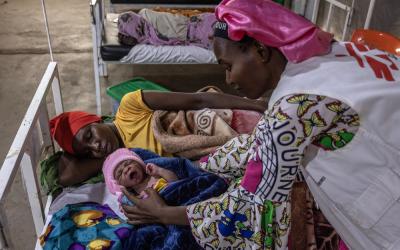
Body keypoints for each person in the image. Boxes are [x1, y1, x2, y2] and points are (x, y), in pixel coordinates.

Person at [120, 0, 400, 249]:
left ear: (260, 50)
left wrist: (163, 214)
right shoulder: (343, 51)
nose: (228, 80)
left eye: (228, 66)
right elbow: (263, 146)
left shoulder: (291, 109)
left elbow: (251, 211)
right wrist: (199, 167)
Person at [50, 90, 266, 186]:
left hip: (215, 122)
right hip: (210, 158)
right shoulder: (122, 162)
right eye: (88, 151)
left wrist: (256, 104)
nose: (95, 145)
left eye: (90, 135)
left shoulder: (129, 107)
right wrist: (101, 157)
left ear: (95, 119)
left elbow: (196, 101)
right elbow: (64, 177)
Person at [103, 148, 178, 206]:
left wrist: (159, 170)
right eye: (120, 173)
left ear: (139, 163)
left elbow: (175, 180)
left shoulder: (154, 175)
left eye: (128, 163)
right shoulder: (135, 197)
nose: (126, 169)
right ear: (120, 185)